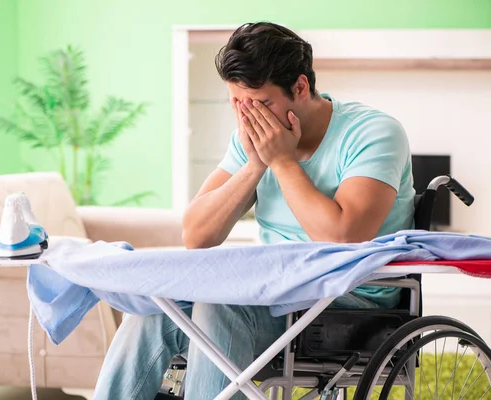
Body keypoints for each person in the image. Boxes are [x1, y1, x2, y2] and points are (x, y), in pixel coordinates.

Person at [93, 22, 415, 400]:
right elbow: (197, 235)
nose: (247, 117)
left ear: (299, 87)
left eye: (260, 104)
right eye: (237, 103)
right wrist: (254, 165)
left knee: (221, 306)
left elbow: (344, 238)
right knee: (153, 309)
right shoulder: (251, 140)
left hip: (349, 302)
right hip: (272, 294)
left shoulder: (374, 132)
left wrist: (281, 161)